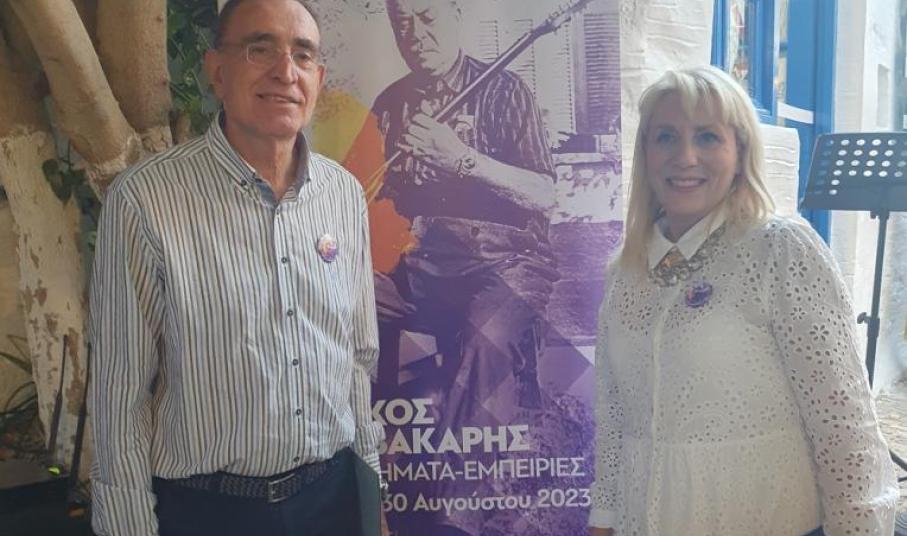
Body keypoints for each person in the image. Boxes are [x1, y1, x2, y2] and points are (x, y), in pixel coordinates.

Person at [89, 1, 383, 534]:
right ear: (217, 71)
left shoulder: (342, 194)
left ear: (318, 79)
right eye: (259, 49)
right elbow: (120, 396)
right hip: (209, 511)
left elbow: (357, 361)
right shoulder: (145, 201)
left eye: (303, 54)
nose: (285, 71)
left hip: (334, 500)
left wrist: (370, 497)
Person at [589, 65, 899, 536]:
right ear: (645, 153)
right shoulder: (624, 270)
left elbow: (843, 426)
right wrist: (603, 521)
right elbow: (614, 419)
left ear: (740, 152)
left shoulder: (781, 249)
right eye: (666, 137)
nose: (685, 156)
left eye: (708, 137)